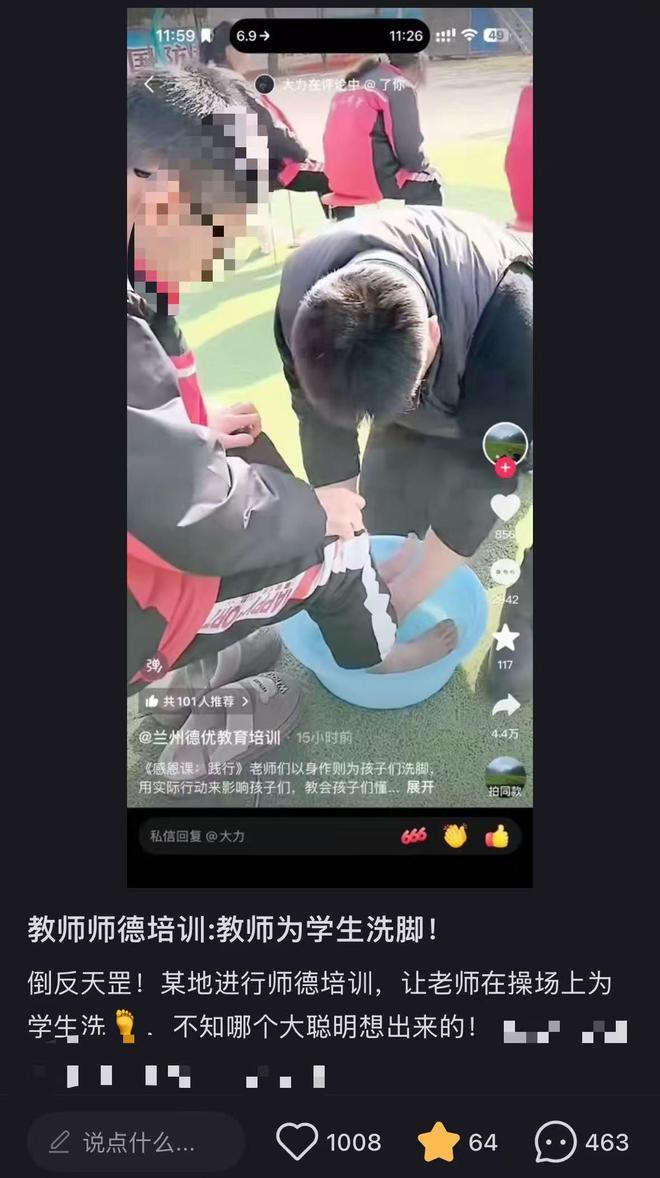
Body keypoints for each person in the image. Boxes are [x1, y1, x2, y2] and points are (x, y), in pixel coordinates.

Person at [127, 66, 458, 770]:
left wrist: (189, 435)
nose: (218, 259)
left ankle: (187, 669)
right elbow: (197, 517)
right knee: (338, 553)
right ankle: (374, 657)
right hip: (135, 607)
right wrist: (317, 512)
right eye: (220, 235)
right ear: (162, 197)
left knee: (246, 445)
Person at [274, 205, 533, 699]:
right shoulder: (301, 302)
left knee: (487, 471)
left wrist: (407, 597)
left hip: (507, 368)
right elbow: (318, 424)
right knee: (381, 524)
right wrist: (350, 544)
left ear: (432, 335)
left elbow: (485, 480)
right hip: (435, 368)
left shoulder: (515, 332)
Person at [200, 21, 335, 220]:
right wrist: (299, 152)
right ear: (230, 51)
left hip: (235, 164)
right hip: (264, 168)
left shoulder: (212, 81)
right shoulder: (232, 85)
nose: (249, 57)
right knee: (336, 179)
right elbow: (268, 129)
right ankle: (344, 231)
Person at [321, 52, 443, 213]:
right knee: (431, 182)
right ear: (418, 67)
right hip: (370, 181)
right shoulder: (399, 86)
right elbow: (410, 153)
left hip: (337, 180)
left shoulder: (354, 83)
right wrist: (423, 164)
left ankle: (342, 223)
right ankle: (415, 229)